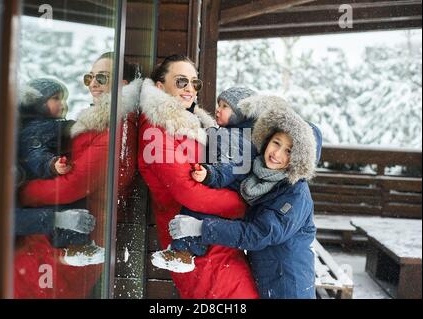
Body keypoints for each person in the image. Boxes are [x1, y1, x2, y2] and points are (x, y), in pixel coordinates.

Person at [169, 96, 323, 299]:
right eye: (276, 143)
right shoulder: (262, 175)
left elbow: (259, 234)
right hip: (266, 279)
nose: (276, 153)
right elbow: (233, 173)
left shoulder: (294, 194)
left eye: (289, 151)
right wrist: (210, 175)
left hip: (289, 287)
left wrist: (201, 228)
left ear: (300, 159)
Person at [14, 52, 140, 298]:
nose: (93, 83)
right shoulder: (95, 122)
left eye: (102, 78)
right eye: (89, 77)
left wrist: (22, 192)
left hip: (72, 242)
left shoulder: (116, 127)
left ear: (123, 85)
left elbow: (74, 186)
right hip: (51, 239)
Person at [138, 54, 259, 298]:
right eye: (181, 81)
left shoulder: (196, 125)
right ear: (160, 87)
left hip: (217, 239)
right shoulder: (156, 130)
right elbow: (189, 192)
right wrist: (243, 204)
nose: (190, 89)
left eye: (195, 83)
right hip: (193, 249)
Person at [151, 87, 263, 272]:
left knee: (197, 210)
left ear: (242, 114)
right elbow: (211, 134)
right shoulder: (231, 133)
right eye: (219, 104)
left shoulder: (241, 139)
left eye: (225, 106)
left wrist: (211, 174)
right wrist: (193, 112)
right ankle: (182, 250)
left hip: (227, 186)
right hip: (222, 184)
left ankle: (184, 252)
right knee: (195, 209)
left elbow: (231, 165)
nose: (218, 109)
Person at [16, 78, 96, 248]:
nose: (63, 104)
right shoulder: (35, 129)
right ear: (38, 103)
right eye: (56, 98)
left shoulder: (41, 126)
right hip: (43, 179)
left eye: (64, 99)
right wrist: (51, 164)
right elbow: (35, 154)